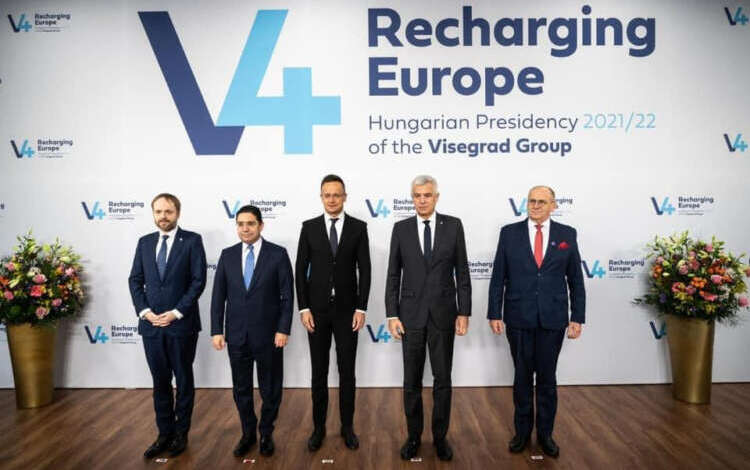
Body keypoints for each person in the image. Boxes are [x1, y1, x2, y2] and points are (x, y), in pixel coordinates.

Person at [487, 185, 586, 458]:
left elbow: (576, 280)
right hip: (518, 317)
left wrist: (577, 317)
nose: (536, 205)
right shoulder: (509, 233)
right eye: (532, 201)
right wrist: (494, 313)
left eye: (542, 201)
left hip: (553, 319)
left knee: (547, 380)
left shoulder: (567, 234)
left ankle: (545, 435)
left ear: (553, 205)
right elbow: (498, 277)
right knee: (521, 379)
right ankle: (521, 433)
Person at [385, 175, 471, 461]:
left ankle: (440, 438)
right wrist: (392, 313)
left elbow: (462, 271)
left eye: (427, 195)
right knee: (411, 381)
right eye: (417, 195)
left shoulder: (454, 226)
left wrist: (464, 311)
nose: (422, 200)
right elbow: (393, 274)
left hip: (444, 316)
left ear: (436, 197)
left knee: (442, 380)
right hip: (410, 316)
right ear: (412, 198)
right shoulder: (401, 228)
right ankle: (413, 437)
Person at [210, 205, 294, 458]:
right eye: (240, 224)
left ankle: (266, 432)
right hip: (236, 335)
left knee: (270, 389)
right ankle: (248, 433)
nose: (245, 228)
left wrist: (283, 329)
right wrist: (216, 330)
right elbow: (218, 297)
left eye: (250, 223)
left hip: (269, 336)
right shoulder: (227, 255)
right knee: (241, 388)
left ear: (261, 225)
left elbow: (287, 297)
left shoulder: (277, 254)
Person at [295, 174, 371, 451]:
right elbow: (300, 270)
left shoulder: (358, 227)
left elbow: (366, 269)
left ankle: (347, 427)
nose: (332, 199)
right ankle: (318, 429)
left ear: (345, 197)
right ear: (321, 197)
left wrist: (361, 307)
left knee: (347, 372)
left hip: (347, 313)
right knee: (319, 372)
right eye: (327, 194)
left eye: (336, 194)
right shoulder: (309, 227)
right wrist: (303, 308)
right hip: (316, 312)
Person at [128, 193, 207, 458]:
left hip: (181, 325)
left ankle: (181, 434)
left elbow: (198, 281)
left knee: (183, 381)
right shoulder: (145, 242)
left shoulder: (192, 241)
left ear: (177, 213)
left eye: (168, 211)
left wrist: (175, 313)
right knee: (160, 382)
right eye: (159, 211)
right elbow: (135, 280)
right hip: (151, 326)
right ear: (153, 213)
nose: (163, 216)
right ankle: (164, 434)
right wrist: (145, 312)